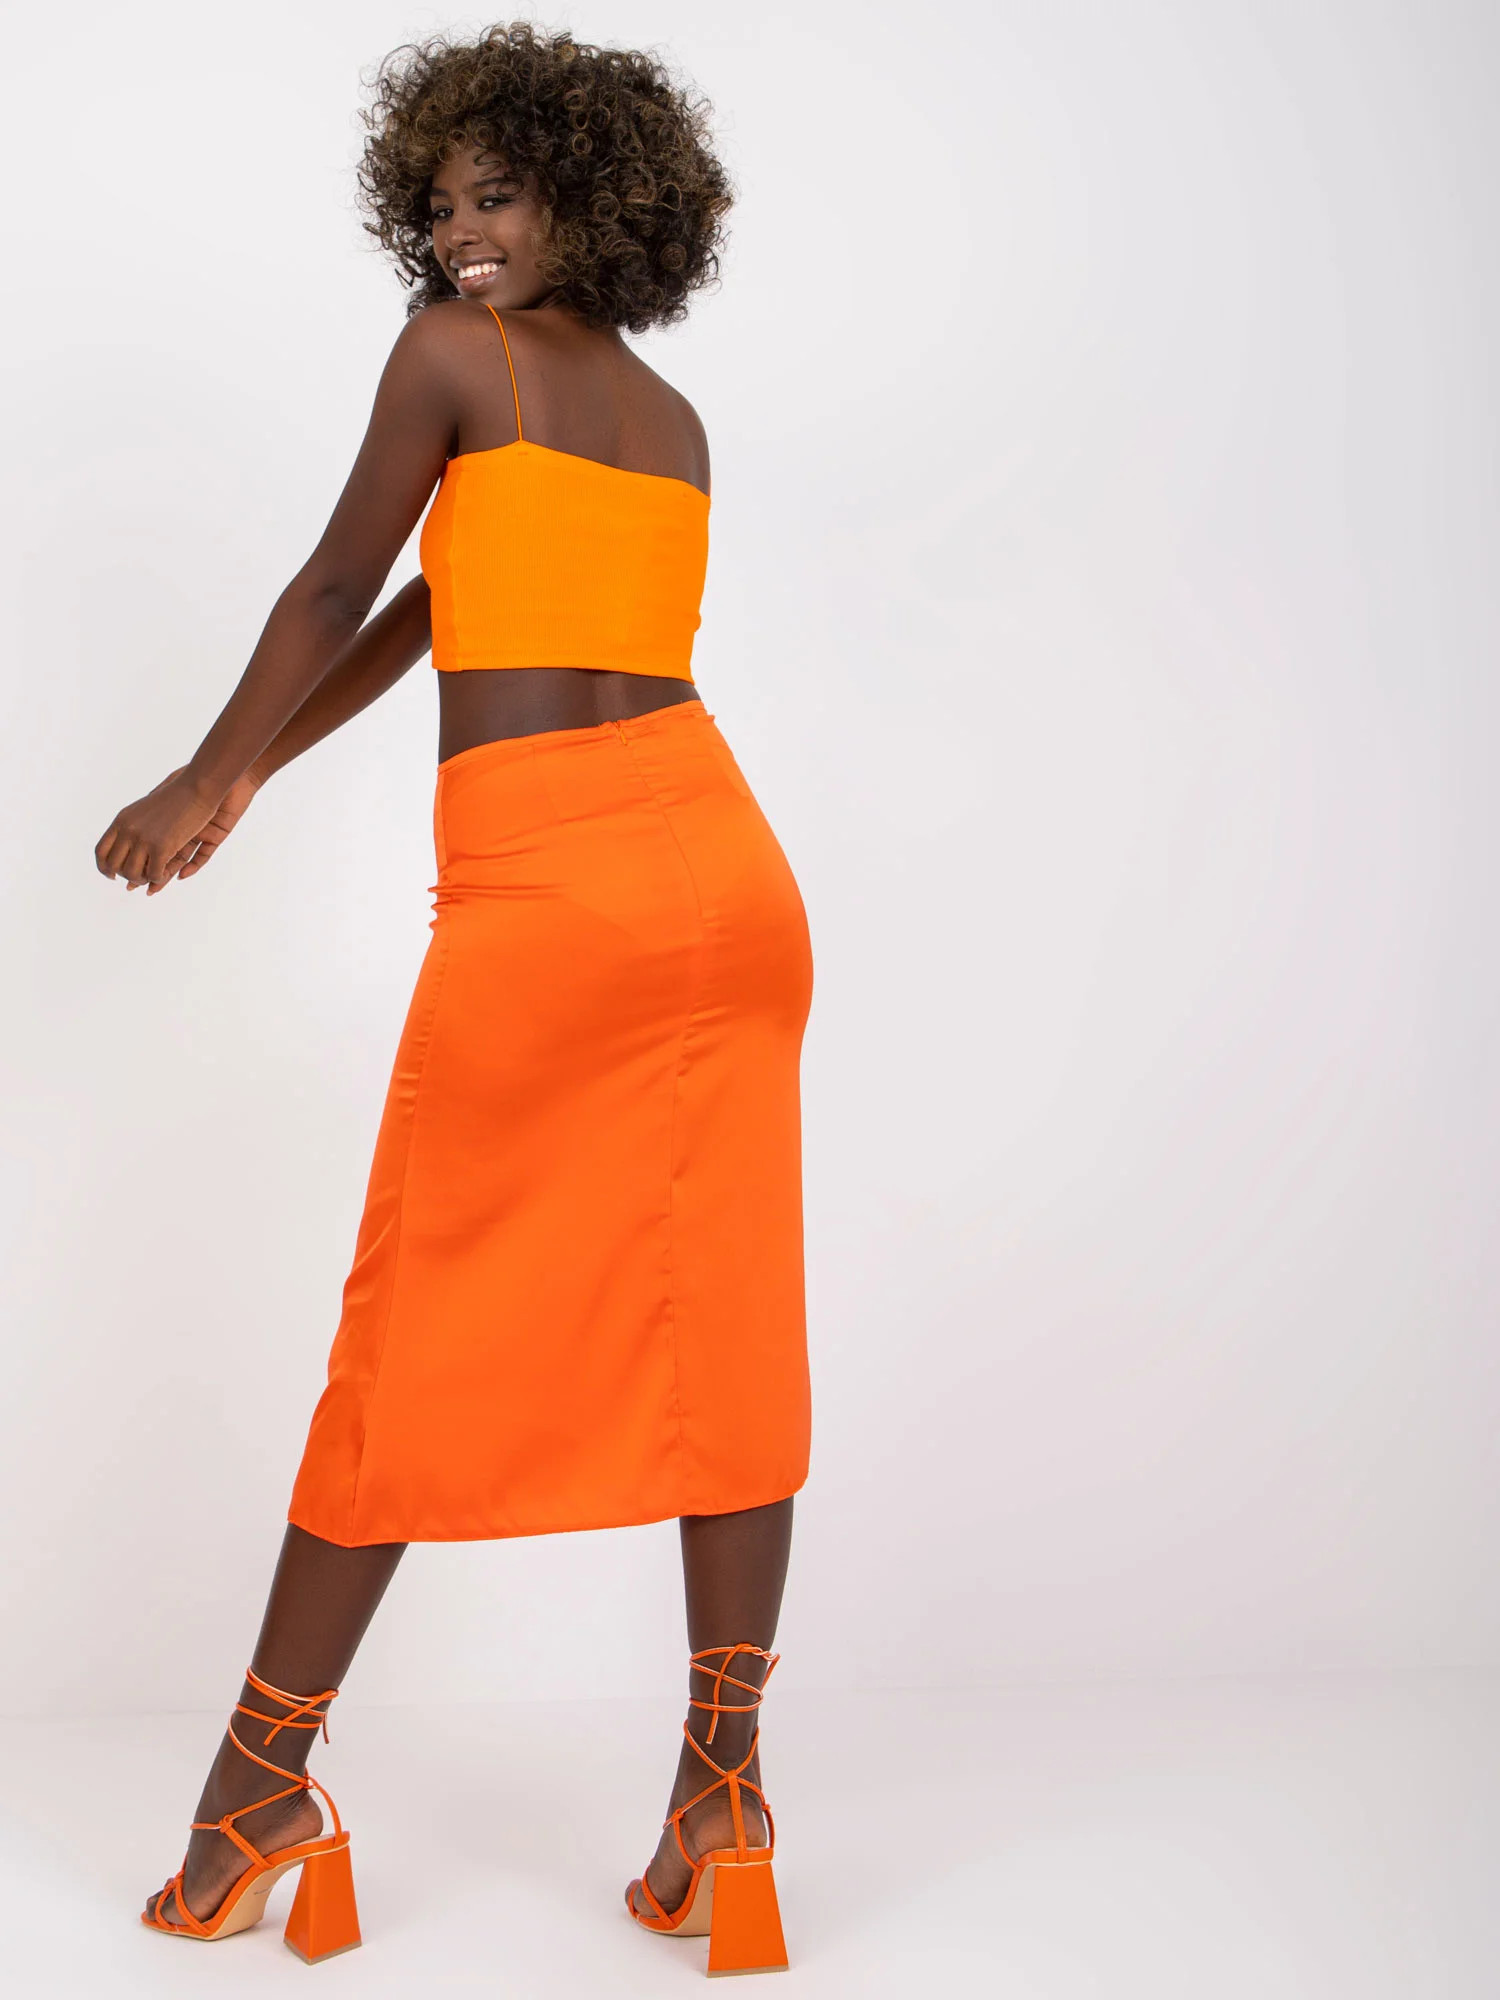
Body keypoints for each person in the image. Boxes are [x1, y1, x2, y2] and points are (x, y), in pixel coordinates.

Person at [95, 24, 812, 1977]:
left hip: (555, 884)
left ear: (601, 197)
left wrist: (195, 768)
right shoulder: (666, 417)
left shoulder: (449, 358)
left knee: (410, 1324)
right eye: (439, 203)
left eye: (499, 193)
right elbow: (439, 618)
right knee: (723, 1317)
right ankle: (722, 1801)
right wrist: (249, 779)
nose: (459, 232)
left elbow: (337, 589)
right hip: (726, 876)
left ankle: (257, 1790)